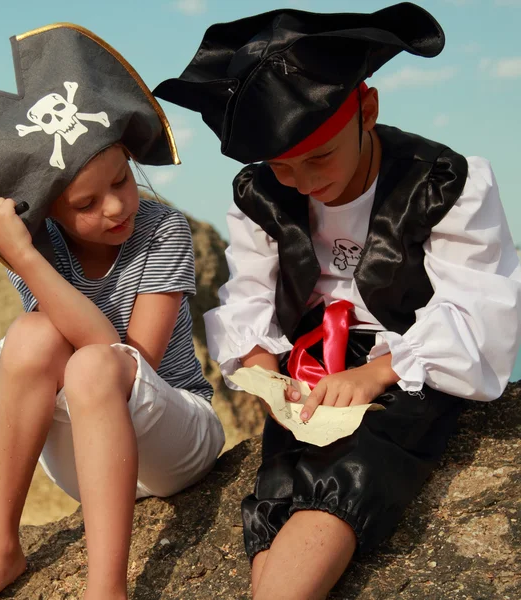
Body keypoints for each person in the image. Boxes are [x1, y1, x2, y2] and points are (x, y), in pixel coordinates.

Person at [154, 3, 521, 599]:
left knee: (352, 473)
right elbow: (249, 293)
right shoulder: (263, 196)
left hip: (405, 358)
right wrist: (266, 372)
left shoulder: (442, 183)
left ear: (367, 110)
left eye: (319, 157)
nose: (301, 181)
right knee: (279, 486)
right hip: (312, 367)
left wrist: (379, 373)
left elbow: (475, 306)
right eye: (283, 166)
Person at [0, 23, 224, 600]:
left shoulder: (162, 228)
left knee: (95, 365)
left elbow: (126, 359)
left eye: (122, 180)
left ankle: (105, 590)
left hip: (172, 436)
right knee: (31, 336)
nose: (118, 206)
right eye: (87, 204)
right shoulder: (45, 251)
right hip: (85, 459)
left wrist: (20, 253)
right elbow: (61, 346)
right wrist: (27, 255)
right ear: (52, 214)